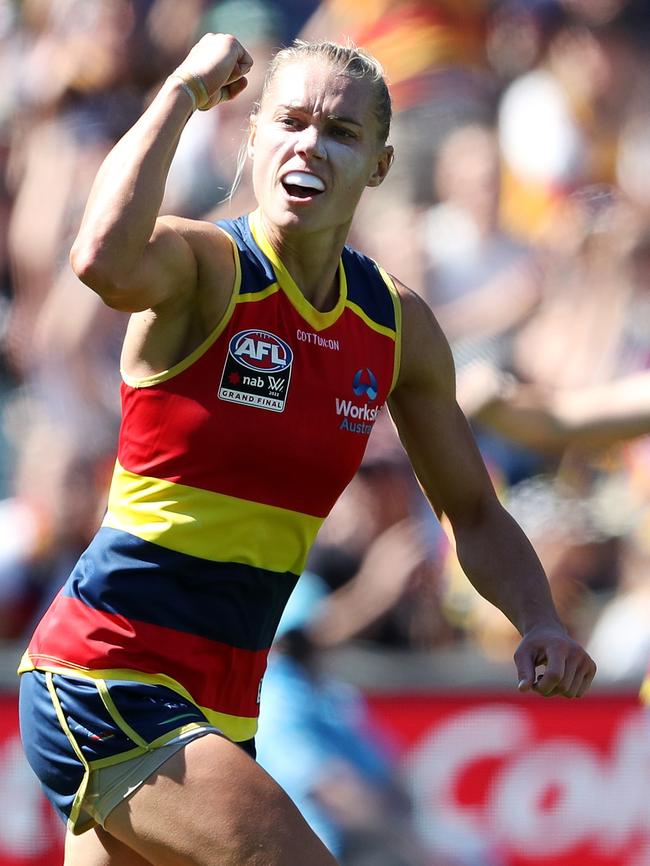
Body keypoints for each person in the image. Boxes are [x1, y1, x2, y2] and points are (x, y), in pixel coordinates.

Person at [17, 32, 596, 866]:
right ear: (252, 137)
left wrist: (538, 616)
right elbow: (100, 260)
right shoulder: (206, 267)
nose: (309, 145)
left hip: (224, 708)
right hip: (110, 674)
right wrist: (182, 88)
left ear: (381, 167)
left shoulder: (394, 326)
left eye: (341, 132)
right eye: (289, 121)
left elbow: (470, 508)